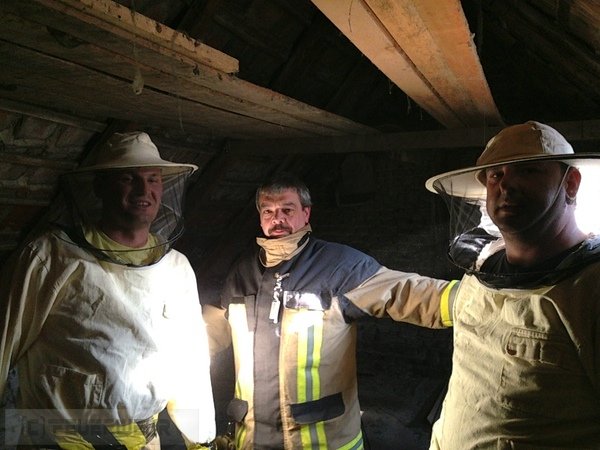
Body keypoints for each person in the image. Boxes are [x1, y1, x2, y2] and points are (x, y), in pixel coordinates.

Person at [204, 173, 459, 449]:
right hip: (252, 440)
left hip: (323, 441)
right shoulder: (242, 274)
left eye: (287, 210)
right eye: (268, 211)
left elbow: (405, 291)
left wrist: (473, 301)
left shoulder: (338, 266)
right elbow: (210, 330)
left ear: (306, 213)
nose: (277, 219)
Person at [0, 132, 216, 449]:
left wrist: (200, 440)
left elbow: (190, 361)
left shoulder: (176, 267)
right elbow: (4, 343)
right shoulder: (51, 257)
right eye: (128, 178)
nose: (144, 190)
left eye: (153, 179)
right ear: (100, 187)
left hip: (144, 440)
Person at [425, 120, 600, 448]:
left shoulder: (589, 291)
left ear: (571, 183)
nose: (506, 185)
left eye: (528, 171)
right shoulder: (481, 270)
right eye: (496, 175)